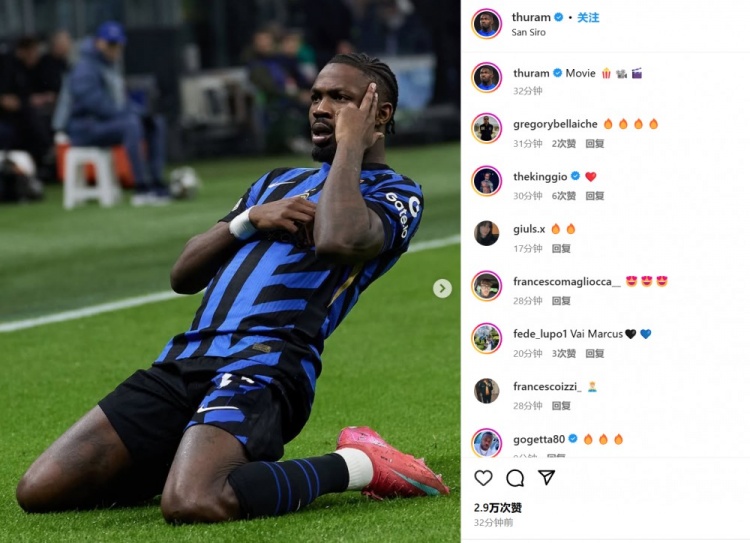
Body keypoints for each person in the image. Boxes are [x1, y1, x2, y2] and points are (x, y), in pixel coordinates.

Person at [16, 52, 449, 524]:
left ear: (380, 114)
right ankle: (191, 454)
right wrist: (249, 219)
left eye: (340, 99)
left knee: (193, 501)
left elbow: (337, 239)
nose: (320, 109)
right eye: (316, 97)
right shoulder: (275, 183)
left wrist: (350, 146)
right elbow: (183, 275)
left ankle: (359, 464)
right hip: (185, 359)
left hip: (267, 363)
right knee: (39, 490)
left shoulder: (396, 193)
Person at [57, 21, 169, 205]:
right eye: (111, 44)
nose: (115, 49)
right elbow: (96, 104)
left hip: (104, 124)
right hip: (83, 128)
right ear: (99, 43)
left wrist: (142, 114)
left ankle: (156, 182)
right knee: (131, 124)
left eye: (118, 45)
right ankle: (141, 188)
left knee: (154, 122)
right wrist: (130, 115)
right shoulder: (84, 67)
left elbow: (121, 101)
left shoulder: (109, 65)